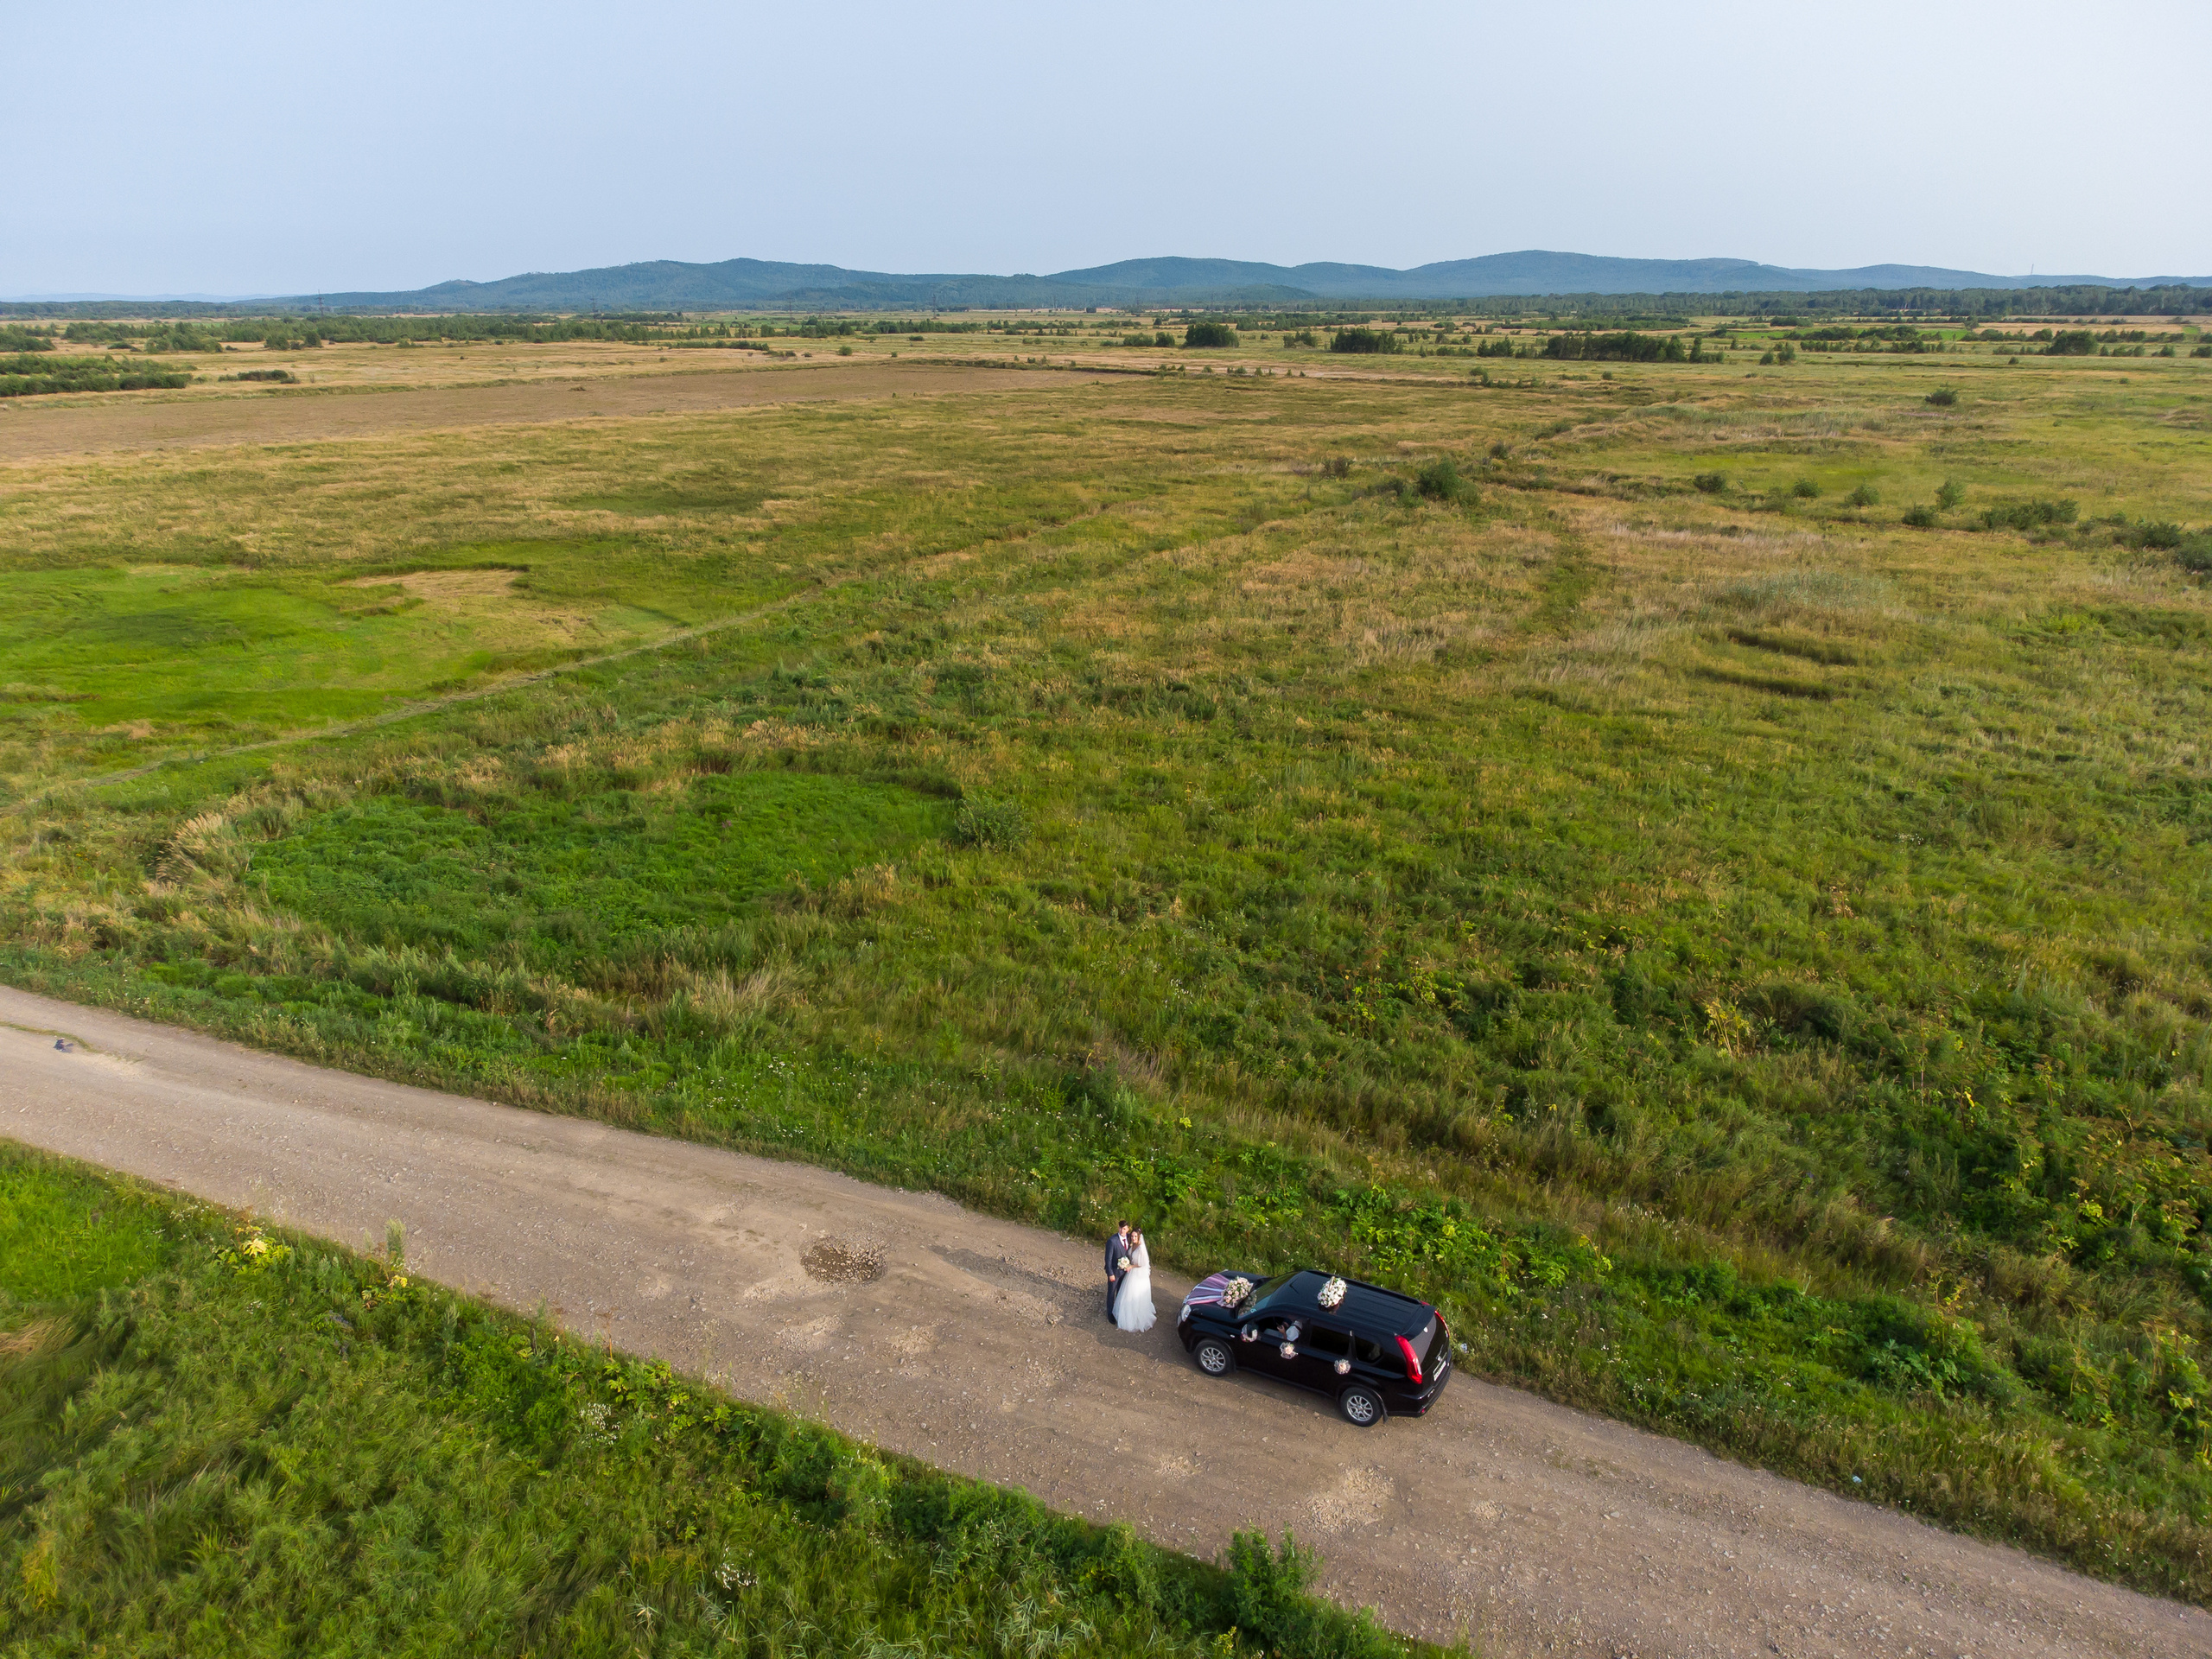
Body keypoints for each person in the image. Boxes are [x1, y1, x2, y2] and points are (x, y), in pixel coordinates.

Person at [1114, 1228, 1156, 1333]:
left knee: (1134, 1293)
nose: (1133, 1238)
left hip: (1137, 1273)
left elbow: (1142, 1263)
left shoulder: (1141, 1248)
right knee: (1126, 1293)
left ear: (1139, 1237)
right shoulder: (1132, 1245)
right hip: (1131, 1272)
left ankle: (1134, 1318)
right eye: (1132, 1236)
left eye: (1135, 1237)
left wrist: (1131, 1267)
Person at [1104, 1220, 1134, 1320]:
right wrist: (1110, 1273)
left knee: (1121, 1292)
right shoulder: (1112, 1241)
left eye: (1124, 1228)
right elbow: (1108, 1259)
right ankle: (1110, 1314)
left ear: (1128, 1229)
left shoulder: (1130, 1238)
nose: (1122, 1230)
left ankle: (1118, 1311)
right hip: (1114, 1272)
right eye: (1120, 1228)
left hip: (1125, 1272)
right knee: (1111, 1293)